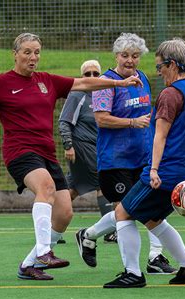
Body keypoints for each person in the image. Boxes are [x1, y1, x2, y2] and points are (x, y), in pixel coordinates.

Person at [0, 33, 143, 280]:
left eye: (36, 52)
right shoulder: (1, 83)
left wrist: (119, 84)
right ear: (15, 54)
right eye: (27, 52)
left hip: (46, 153)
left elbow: (84, 84)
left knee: (65, 212)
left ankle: (28, 264)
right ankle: (45, 252)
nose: (33, 57)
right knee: (45, 187)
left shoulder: (47, 80)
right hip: (19, 151)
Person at [103, 38, 185, 288]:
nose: (158, 72)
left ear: (172, 64)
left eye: (160, 67)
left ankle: (133, 274)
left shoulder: (170, 94)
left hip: (164, 173)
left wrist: (153, 170)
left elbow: (159, 135)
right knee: (153, 219)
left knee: (122, 212)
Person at [75, 33, 177, 274]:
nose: (130, 61)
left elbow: (148, 114)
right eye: (125, 55)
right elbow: (101, 120)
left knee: (148, 206)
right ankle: (132, 269)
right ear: (116, 56)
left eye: (135, 56)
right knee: (127, 214)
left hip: (143, 157)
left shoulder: (141, 77)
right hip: (115, 160)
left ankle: (152, 257)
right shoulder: (105, 82)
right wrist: (132, 123)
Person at [58, 60, 113, 243]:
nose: (91, 77)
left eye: (96, 74)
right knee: (102, 183)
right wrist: (68, 145)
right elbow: (64, 121)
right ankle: (110, 232)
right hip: (81, 147)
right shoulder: (77, 94)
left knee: (70, 190)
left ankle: (50, 229)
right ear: (82, 77)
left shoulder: (104, 95)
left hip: (96, 149)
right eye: (87, 74)